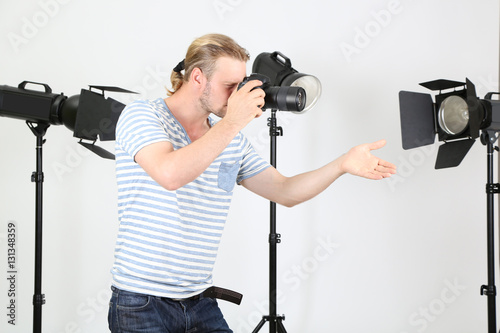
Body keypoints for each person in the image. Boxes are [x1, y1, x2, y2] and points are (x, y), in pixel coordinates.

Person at [107, 33, 396, 333]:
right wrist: (233, 122)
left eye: (240, 85)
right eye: (229, 86)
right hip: (141, 303)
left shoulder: (231, 140)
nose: (237, 96)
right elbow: (170, 174)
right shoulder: (143, 115)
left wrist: (341, 164)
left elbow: (284, 191)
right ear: (197, 78)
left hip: (199, 300)